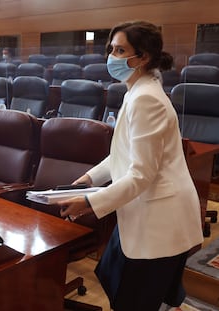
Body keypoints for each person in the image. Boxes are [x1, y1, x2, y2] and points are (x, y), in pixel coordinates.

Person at [58, 21, 204, 311]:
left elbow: (141, 173)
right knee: (117, 282)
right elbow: (123, 154)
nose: (112, 56)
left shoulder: (146, 99)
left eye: (120, 49)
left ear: (143, 57)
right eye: (111, 48)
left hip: (160, 219)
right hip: (144, 212)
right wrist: (89, 179)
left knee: (133, 299)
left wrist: (89, 202)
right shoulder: (137, 92)